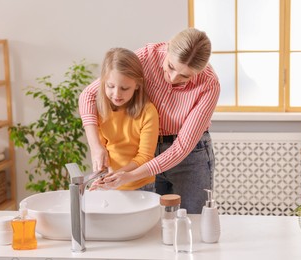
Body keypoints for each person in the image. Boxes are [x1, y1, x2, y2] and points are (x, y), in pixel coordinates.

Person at [79, 28, 221, 213]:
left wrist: (129, 176)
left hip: (190, 158)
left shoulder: (209, 84)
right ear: (168, 47)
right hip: (147, 150)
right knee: (155, 223)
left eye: (185, 76)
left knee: (193, 219)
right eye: (170, 66)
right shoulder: (146, 56)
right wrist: (96, 146)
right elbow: (88, 95)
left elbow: (181, 148)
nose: (172, 78)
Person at [89, 47, 159, 191]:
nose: (116, 94)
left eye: (124, 88)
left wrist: (119, 175)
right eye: (110, 86)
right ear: (103, 83)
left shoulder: (148, 112)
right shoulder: (99, 110)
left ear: (137, 85)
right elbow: (102, 149)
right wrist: (102, 175)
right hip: (112, 183)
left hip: (141, 184)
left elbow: (145, 157)